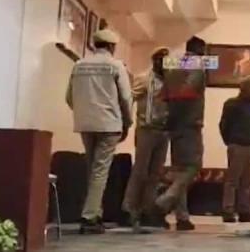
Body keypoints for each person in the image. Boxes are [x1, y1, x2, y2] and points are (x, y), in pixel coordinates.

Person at [66, 29, 133, 234]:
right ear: (112, 46)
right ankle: (90, 217)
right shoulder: (115, 66)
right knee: (100, 170)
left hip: (85, 123)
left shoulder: (79, 65)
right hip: (109, 124)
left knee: (92, 169)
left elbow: (69, 97)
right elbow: (126, 97)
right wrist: (127, 122)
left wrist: (84, 112)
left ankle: (95, 212)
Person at [122, 47, 194, 232]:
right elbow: (129, 99)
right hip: (146, 129)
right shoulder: (144, 78)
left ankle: (148, 211)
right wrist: (126, 121)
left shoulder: (170, 82)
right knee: (140, 171)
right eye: (160, 60)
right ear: (154, 61)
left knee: (155, 174)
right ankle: (128, 209)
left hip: (164, 131)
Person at [153, 36, 207, 220]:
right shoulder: (197, 65)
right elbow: (188, 91)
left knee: (179, 168)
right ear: (201, 50)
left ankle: (182, 216)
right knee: (193, 166)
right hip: (189, 122)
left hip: (173, 121)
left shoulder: (175, 66)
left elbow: (167, 93)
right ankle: (164, 198)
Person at [219, 77, 250, 223]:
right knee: (233, 180)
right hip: (237, 145)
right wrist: (229, 141)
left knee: (246, 181)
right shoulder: (231, 104)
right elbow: (224, 124)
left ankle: (244, 209)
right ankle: (228, 209)